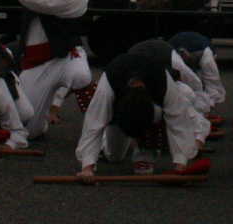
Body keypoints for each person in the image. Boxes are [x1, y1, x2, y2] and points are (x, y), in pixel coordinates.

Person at [0, 0, 90, 139]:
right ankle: (41, 121)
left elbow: (46, 4)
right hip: (36, 62)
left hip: (65, 56)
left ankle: (101, 130)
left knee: (80, 75)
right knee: (29, 130)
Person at [75, 48, 208, 181]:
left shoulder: (163, 82)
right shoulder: (108, 85)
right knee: (114, 157)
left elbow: (178, 121)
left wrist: (180, 164)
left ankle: (144, 153)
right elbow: (94, 123)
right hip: (117, 109)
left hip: (152, 111)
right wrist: (87, 168)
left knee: (161, 113)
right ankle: (104, 143)